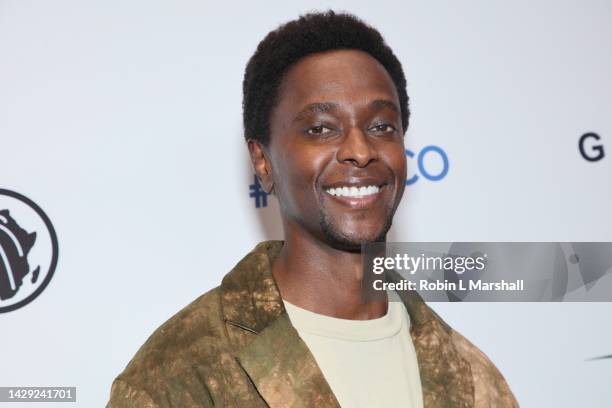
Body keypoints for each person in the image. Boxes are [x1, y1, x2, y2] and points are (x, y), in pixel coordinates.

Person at [108, 11, 517, 407]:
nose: (360, 150)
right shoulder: (179, 377)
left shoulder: (473, 377)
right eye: (320, 128)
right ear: (263, 162)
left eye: (381, 127)